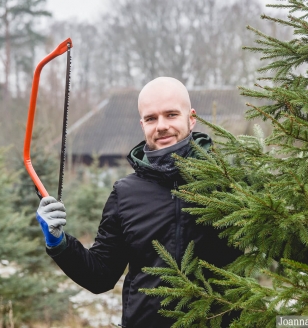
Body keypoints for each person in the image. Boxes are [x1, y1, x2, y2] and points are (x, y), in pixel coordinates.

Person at [35, 77, 241, 327]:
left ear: (192, 117)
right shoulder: (126, 194)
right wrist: (59, 243)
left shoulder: (230, 183)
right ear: (142, 124)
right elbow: (100, 276)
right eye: (152, 118)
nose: (162, 126)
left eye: (171, 114)